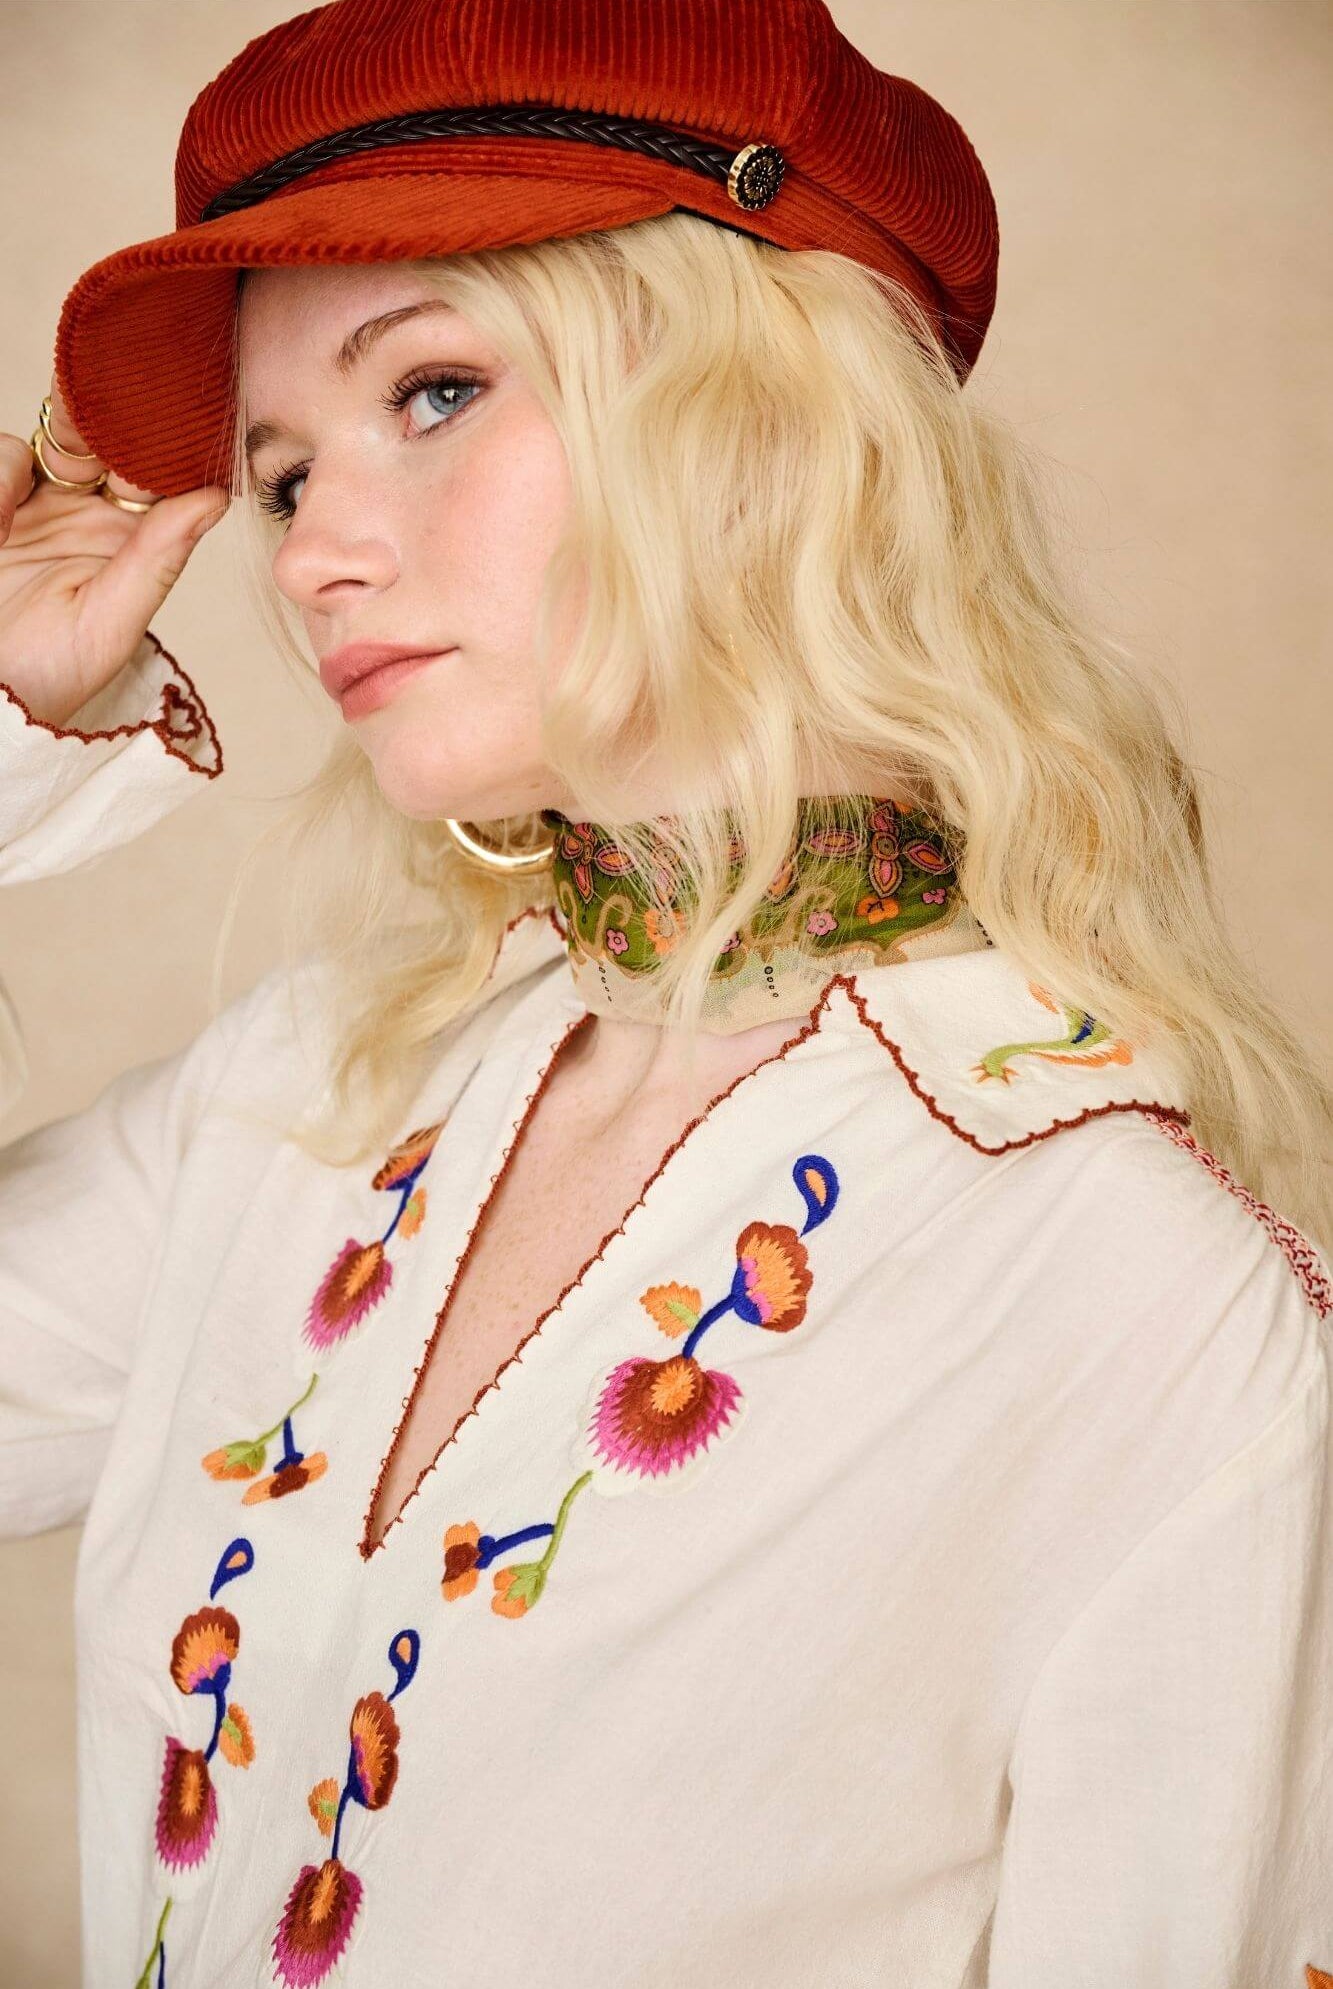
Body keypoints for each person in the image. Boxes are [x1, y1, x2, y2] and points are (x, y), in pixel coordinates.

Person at [1, 2, 1331, 1984]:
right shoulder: (298, 1098)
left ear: (776, 419)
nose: (310, 554)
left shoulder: (1127, 1294)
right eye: (277, 475)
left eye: (433, 390)